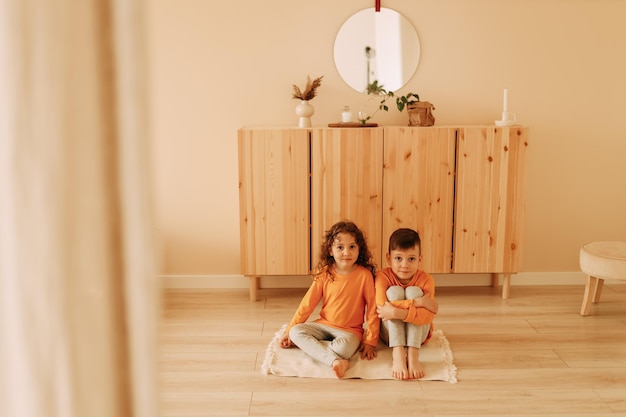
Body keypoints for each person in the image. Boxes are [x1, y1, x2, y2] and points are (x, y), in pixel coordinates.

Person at [279, 220, 380, 378]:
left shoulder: (364, 276)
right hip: (324, 325)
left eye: (352, 247)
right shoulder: (325, 273)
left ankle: (323, 353)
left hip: (350, 332)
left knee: (344, 350)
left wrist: (371, 341)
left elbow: (373, 309)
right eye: (340, 247)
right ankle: (335, 361)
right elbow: (307, 304)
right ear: (331, 250)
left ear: (359, 249)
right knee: (295, 332)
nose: (346, 252)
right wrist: (288, 330)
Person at [375, 228, 439, 380]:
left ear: (419, 259)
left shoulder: (426, 280)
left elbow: (426, 316)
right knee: (394, 292)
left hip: (420, 335)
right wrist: (417, 302)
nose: (405, 265)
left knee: (413, 290)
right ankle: (398, 354)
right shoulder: (383, 276)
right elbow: (382, 307)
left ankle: (413, 355)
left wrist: (398, 312)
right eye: (398, 258)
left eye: (411, 259)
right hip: (389, 334)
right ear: (389, 258)